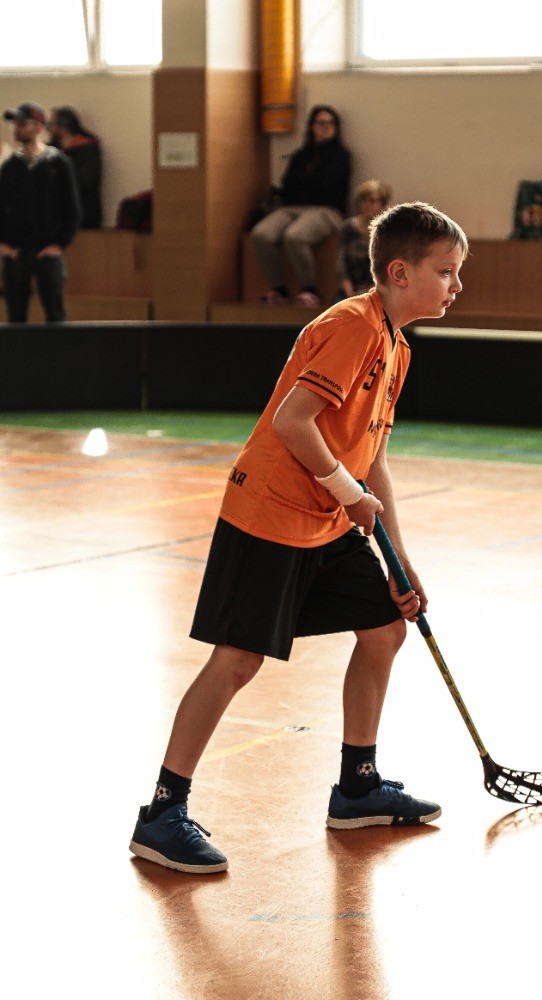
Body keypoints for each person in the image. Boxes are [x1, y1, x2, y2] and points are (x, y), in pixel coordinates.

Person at [129, 202, 468, 874]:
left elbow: (372, 458)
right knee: (238, 660)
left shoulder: (397, 346)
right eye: (446, 271)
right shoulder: (352, 326)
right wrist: (348, 493)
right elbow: (292, 421)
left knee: (384, 627)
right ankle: (162, 814)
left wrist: (398, 562)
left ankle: (357, 788)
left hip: (325, 519)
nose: (456, 285)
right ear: (400, 273)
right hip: (271, 513)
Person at [251, 105, 351, 307]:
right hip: (293, 207)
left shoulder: (341, 156)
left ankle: (309, 289)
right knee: (260, 235)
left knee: (295, 236)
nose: (325, 127)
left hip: (326, 209)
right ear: (312, 126)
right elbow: (288, 185)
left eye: (330, 123)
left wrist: (306, 184)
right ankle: (279, 289)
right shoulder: (301, 156)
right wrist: (307, 184)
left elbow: (329, 186)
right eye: (320, 123)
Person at [0, 101, 81, 323]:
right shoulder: (10, 167)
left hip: (47, 250)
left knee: (55, 315)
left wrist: (60, 244)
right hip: (16, 252)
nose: (16, 128)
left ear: (37, 127)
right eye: (15, 124)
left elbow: (73, 209)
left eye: (22, 123)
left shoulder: (59, 164)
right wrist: (3, 244)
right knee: (15, 318)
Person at [335, 179, 393, 301]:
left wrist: (368, 291)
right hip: (349, 290)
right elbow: (342, 262)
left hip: (378, 291)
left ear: (382, 204)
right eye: (363, 200)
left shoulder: (389, 230)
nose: (366, 205)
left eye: (372, 201)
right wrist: (348, 288)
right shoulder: (348, 227)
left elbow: (388, 268)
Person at [47, 106, 103, 229]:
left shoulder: (87, 149)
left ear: (63, 127)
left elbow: (83, 181)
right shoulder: (51, 150)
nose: (47, 129)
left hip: (83, 216)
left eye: (50, 125)